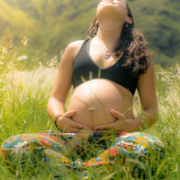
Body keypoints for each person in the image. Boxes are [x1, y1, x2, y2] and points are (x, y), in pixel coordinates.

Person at [1, 0, 165, 179]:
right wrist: (59, 120)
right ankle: (93, 172)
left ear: (128, 19)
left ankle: (67, 172)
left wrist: (132, 125)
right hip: (72, 139)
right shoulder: (75, 49)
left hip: (116, 139)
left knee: (150, 147)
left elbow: (151, 109)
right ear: (96, 21)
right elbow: (56, 98)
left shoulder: (139, 56)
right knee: (13, 145)